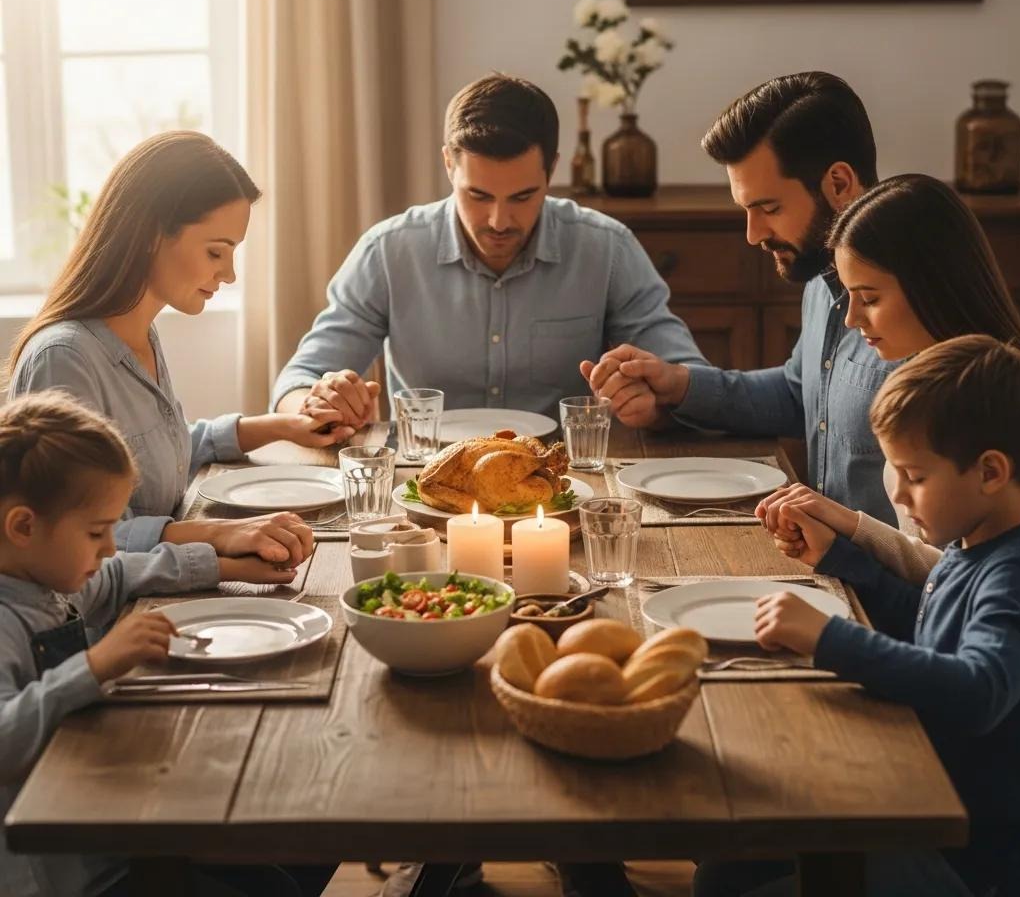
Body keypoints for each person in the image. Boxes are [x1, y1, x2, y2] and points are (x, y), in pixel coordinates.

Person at [696, 335, 1020, 897]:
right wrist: (836, 557)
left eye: (914, 477)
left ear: (990, 472)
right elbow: (924, 622)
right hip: (912, 790)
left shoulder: (1011, 573)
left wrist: (829, 637)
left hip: (959, 853)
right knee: (722, 867)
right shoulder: (973, 544)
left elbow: (978, 689)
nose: (895, 490)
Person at [0, 391, 332, 897]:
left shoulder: (44, 576)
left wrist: (220, 562)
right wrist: (93, 666)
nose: (110, 546)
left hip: (108, 825)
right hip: (64, 875)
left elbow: (116, 574)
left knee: (300, 859)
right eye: (96, 532)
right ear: (23, 526)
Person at [272, 72, 706, 429]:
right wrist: (317, 402)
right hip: (424, 483)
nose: (499, 221)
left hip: (561, 485)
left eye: (522, 197)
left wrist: (655, 406)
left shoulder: (606, 249)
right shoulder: (388, 252)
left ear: (552, 168)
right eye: (478, 195)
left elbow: (694, 384)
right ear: (448, 164)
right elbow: (295, 383)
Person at [583, 72, 902, 525]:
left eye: (769, 209)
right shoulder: (820, 272)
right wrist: (678, 383)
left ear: (839, 184)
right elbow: (799, 395)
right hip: (830, 569)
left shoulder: (919, 305)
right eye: (746, 210)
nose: (754, 235)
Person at [6, 131, 335, 563]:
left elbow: (159, 453)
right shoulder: (64, 360)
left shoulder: (139, 332)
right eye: (216, 252)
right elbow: (89, 543)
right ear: (149, 234)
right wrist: (218, 540)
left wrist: (281, 426)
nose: (229, 274)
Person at [755, 175, 1020, 584]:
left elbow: (961, 586)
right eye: (848, 297)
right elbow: (941, 566)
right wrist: (845, 525)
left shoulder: (992, 403)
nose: (851, 319)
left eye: (871, 299)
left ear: (933, 284)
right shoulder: (931, 382)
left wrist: (848, 540)